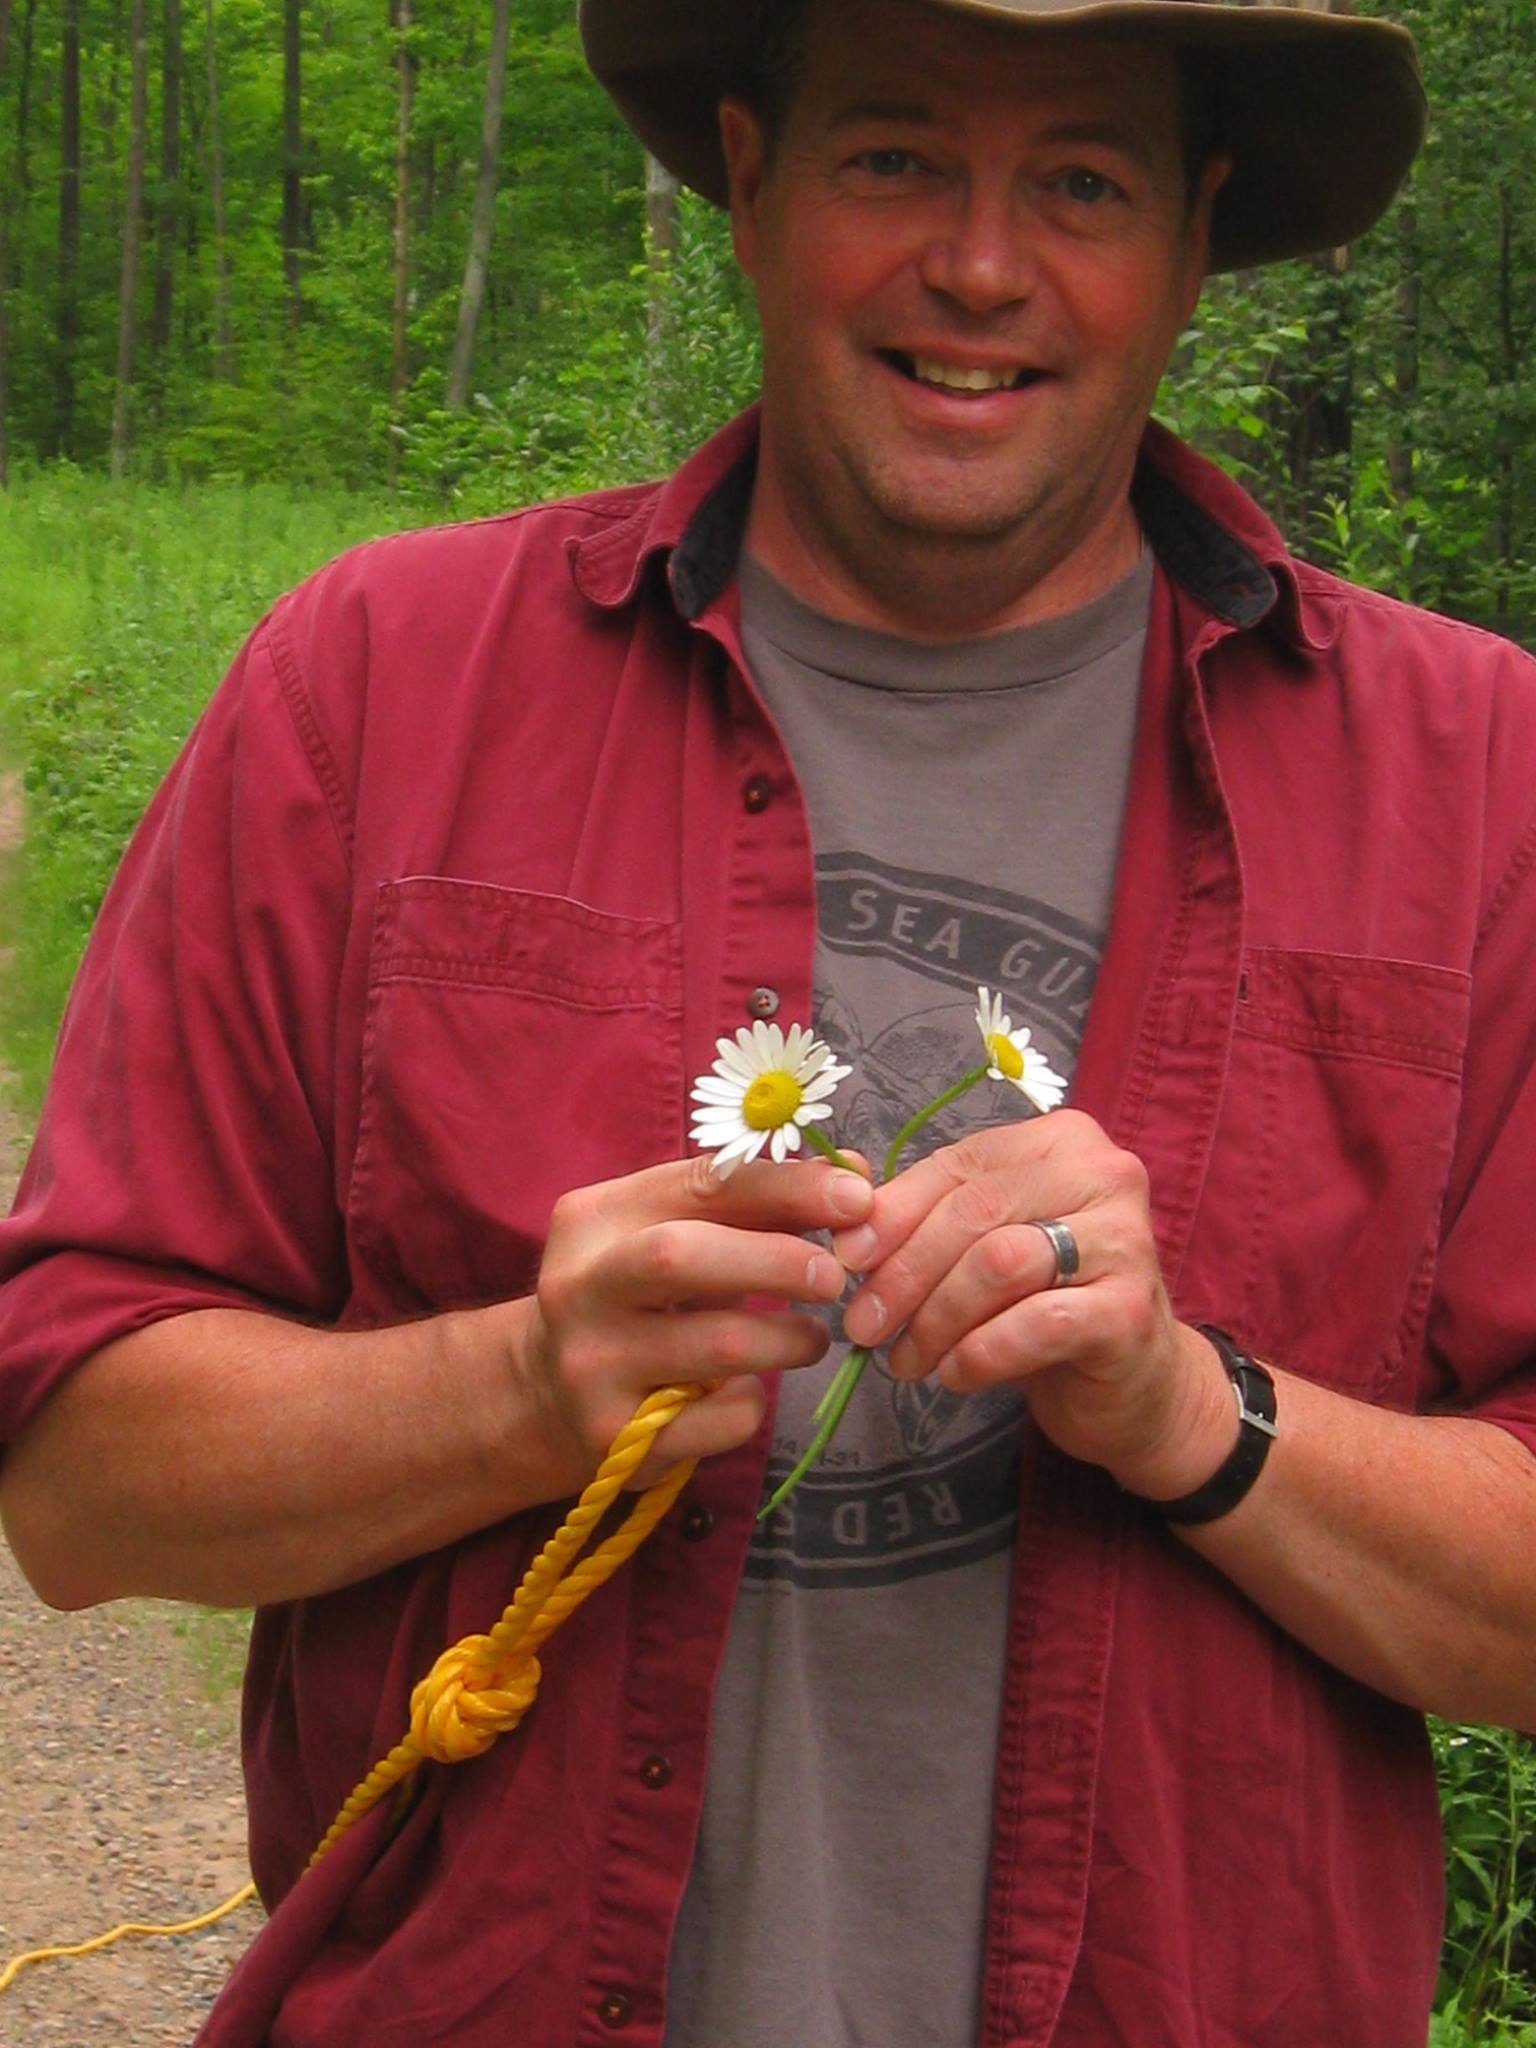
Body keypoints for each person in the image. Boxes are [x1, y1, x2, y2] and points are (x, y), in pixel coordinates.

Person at [2, 0, 1534, 2041]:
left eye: (1081, 180)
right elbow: (78, 1482)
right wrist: (531, 1381)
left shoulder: (1480, 779)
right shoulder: (375, 687)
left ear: (1195, 231)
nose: (982, 267)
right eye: (894, 155)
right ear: (746, 182)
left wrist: (1191, 1410)